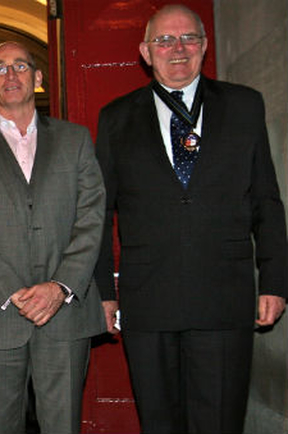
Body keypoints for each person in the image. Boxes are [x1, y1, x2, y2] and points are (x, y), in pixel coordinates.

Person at [94, 5, 287, 434]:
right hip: (149, 301)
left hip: (224, 298)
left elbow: (266, 200)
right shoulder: (115, 118)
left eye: (189, 39)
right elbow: (101, 212)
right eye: (164, 40)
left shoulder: (244, 105)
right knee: (159, 423)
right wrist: (105, 293)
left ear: (204, 45)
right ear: (146, 51)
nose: (177, 49)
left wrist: (274, 281)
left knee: (219, 422)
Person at [0, 41, 107, 434]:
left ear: (37, 78)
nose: (10, 74)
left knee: (62, 425)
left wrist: (59, 286)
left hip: (65, 312)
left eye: (20, 66)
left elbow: (92, 215)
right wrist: (11, 291)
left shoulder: (75, 139)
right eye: (0, 69)